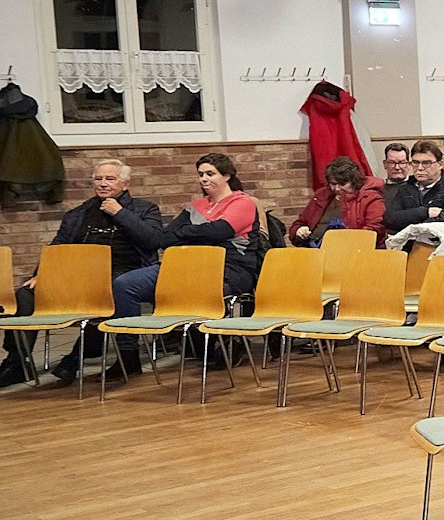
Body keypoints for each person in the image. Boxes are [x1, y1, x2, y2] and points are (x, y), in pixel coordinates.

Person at [103, 153, 265, 383]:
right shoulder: (195, 207)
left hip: (228, 268)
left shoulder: (243, 202)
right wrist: (193, 234)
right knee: (125, 284)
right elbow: (164, 238)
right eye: (201, 175)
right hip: (185, 266)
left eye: (210, 174)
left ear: (227, 176)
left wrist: (186, 233)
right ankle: (128, 357)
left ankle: (218, 345)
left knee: (192, 291)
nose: (204, 179)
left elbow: (220, 231)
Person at [0, 159, 162, 386]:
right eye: (99, 179)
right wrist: (42, 274)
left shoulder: (145, 209)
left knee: (109, 292)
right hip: (79, 277)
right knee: (25, 294)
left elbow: (153, 240)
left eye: (110, 179)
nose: (103, 184)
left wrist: (120, 213)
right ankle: (16, 362)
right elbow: (58, 247)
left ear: (125, 184)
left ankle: (75, 359)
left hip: (124, 273)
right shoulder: (80, 213)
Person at [290, 156, 385, 245]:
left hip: (350, 251)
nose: (337, 188)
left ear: (354, 181)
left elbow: (374, 230)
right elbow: (299, 223)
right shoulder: (321, 195)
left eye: (342, 184)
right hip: (313, 247)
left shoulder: (370, 197)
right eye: (333, 183)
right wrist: (299, 231)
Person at [383, 139, 444, 231]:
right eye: (415, 162)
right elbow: (390, 220)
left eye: (426, 163)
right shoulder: (405, 187)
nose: (419, 168)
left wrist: (409, 221)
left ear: (440, 164)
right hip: (408, 243)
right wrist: (425, 212)